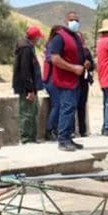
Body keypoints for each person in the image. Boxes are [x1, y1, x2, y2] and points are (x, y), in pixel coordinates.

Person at [47, 11, 88, 151]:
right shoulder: (59, 37)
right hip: (65, 80)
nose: (75, 22)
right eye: (72, 20)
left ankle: (69, 137)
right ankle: (63, 139)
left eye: (77, 20)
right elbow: (55, 59)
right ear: (66, 21)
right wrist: (73, 68)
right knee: (67, 107)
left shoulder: (75, 37)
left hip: (76, 80)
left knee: (71, 108)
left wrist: (85, 63)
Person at [13, 25, 44, 143]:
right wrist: (29, 89)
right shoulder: (25, 48)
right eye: (38, 38)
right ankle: (26, 139)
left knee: (33, 112)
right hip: (26, 87)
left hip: (30, 86)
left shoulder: (28, 47)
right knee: (27, 114)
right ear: (35, 37)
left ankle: (32, 138)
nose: (39, 40)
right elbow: (25, 70)